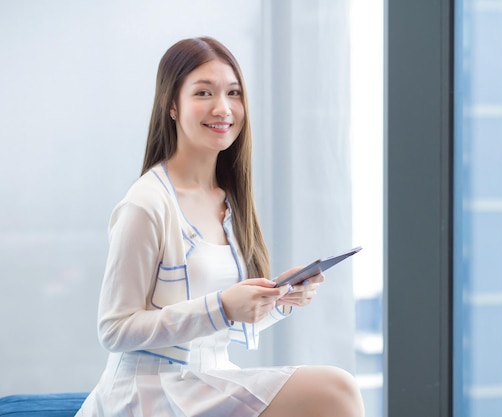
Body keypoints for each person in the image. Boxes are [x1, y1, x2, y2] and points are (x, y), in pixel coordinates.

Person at [75, 37, 364, 417]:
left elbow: (217, 326)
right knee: (336, 390)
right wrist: (224, 306)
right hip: (148, 393)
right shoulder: (146, 204)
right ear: (172, 106)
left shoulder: (227, 199)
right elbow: (114, 330)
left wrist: (277, 299)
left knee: (334, 393)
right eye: (203, 93)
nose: (223, 108)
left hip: (208, 380)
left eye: (233, 93)